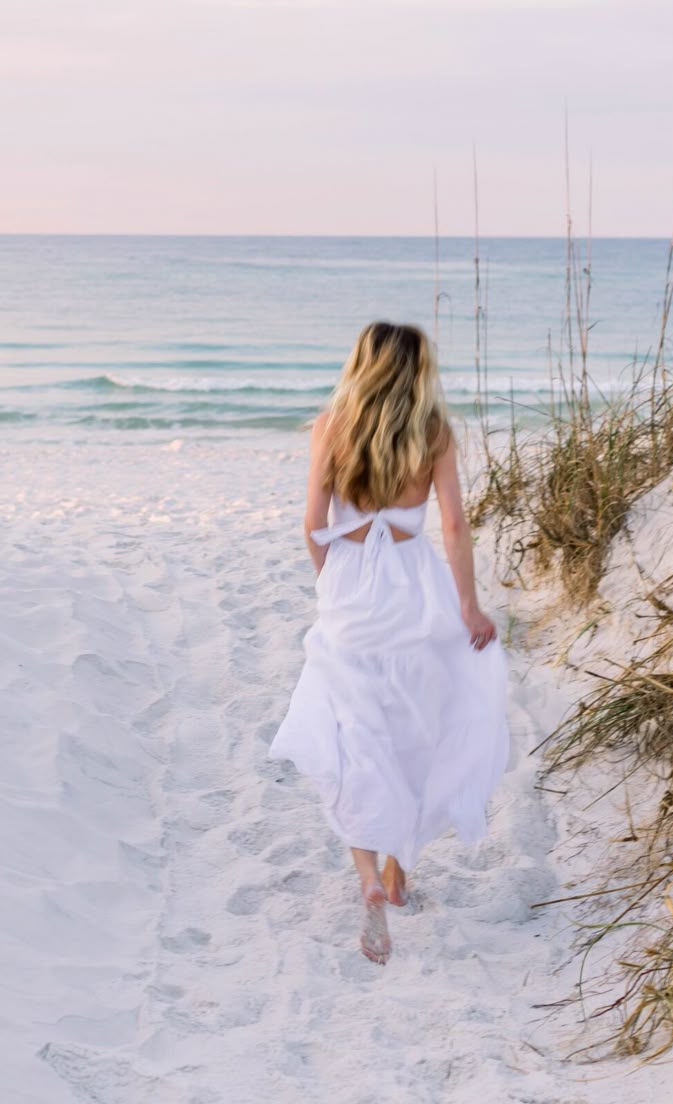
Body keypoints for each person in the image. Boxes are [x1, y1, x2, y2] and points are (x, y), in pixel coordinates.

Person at [268, 321, 509, 965]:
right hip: (415, 588)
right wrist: (469, 606)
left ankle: (371, 880)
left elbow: (312, 525)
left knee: (354, 730)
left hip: (351, 587)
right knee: (418, 723)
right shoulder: (434, 432)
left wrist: (333, 587)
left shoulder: (331, 426)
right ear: (418, 370)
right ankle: (401, 877)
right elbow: (454, 525)